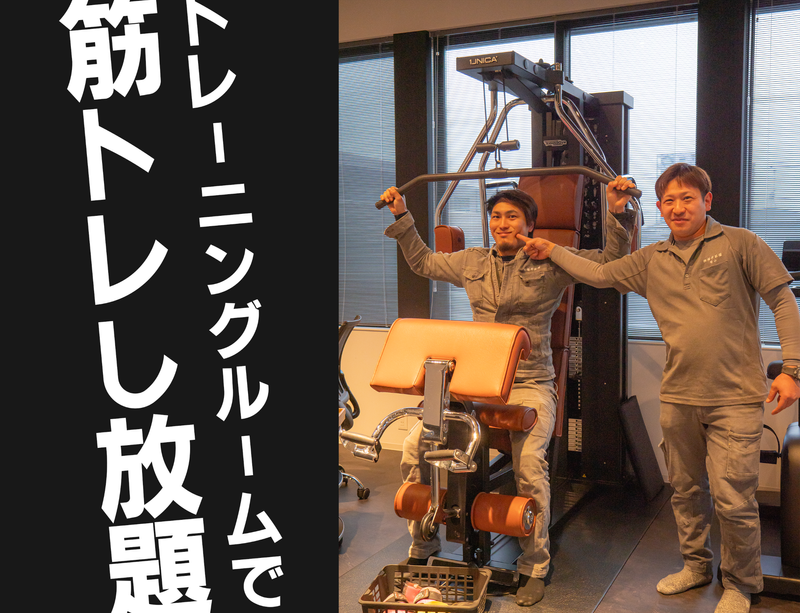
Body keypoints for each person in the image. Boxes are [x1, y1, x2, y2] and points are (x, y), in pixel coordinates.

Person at [521, 163, 800, 613]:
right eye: (669, 201)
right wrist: (553, 247)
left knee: (733, 499)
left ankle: (740, 583)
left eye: (687, 198)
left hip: (735, 397)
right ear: (659, 207)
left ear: (707, 201)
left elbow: (782, 301)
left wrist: (793, 369)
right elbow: (600, 274)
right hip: (679, 396)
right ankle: (696, 566)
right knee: (686, 491)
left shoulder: (741, 243)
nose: (678, 207)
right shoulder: (652, 259)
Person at [379, 179, 637, 607]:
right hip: (476, 381)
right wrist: (402, 215)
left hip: (530, 382)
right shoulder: (472, 261)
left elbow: (609, 264)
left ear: (530, 224)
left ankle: (535, 564)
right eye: (496, 216)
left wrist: (617, 212)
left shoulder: (550, 261)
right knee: (414, 448)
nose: (502, 223)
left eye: (512, 216)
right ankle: (423, 544)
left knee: (530, 467)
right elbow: (422, 261)